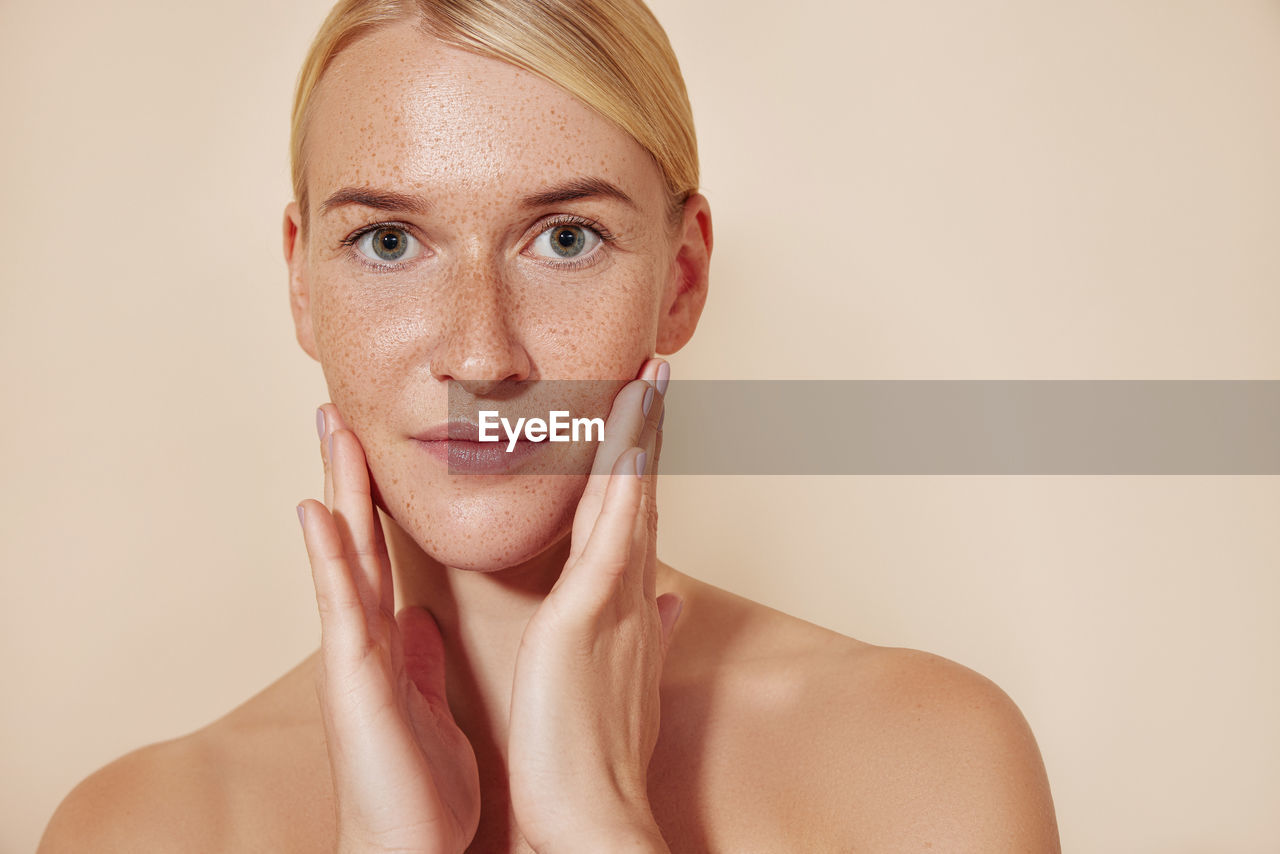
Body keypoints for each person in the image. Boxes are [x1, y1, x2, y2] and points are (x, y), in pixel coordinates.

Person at [37, 1, 1060, 851]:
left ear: (681, 279)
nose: (482, 359)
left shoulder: (925, 764)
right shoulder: (138, 826)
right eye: (389, 241)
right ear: (300, 281)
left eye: (564, 239)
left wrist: (602, 824)